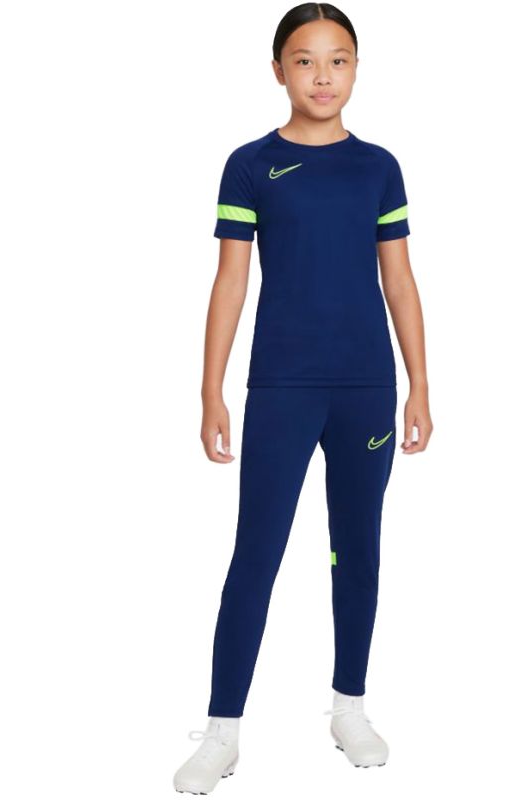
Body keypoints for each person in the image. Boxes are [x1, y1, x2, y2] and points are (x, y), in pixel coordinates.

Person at [173, 3, 432, 794]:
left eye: (338, 59)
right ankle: (223, 731)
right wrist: (211, 390)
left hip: (365, 386)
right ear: (279, 70)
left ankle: (349, 708)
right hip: (283, 386)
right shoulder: (251, 165)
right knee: (256, 554)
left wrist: (420, 383)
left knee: (358, 550)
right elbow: (230, 281)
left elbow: (399, 279)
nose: (323, 75)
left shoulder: (379, 167)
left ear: (356, 68)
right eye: (306, 60)